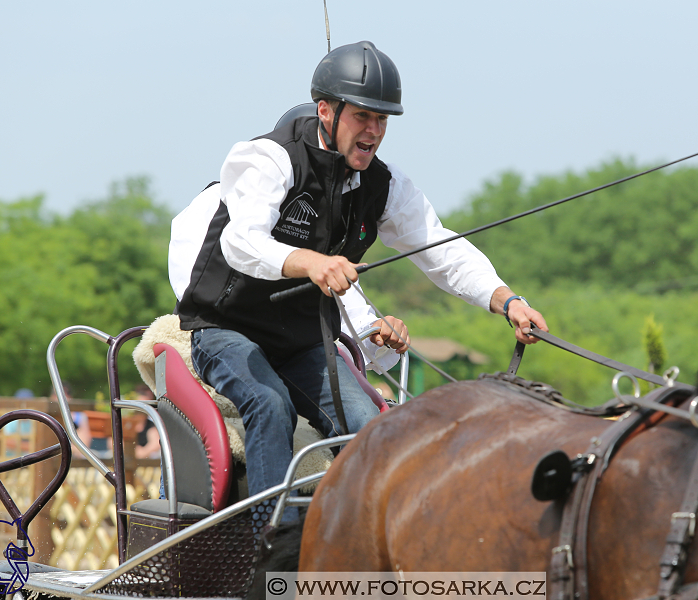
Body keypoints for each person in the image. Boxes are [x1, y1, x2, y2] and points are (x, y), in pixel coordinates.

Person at [169, 40, 548, 510]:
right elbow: (241, 242)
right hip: (225, 330)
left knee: (370, 423)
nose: (373, 131)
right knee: (270, 406)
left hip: (303, 340)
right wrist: (312, 262)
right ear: (326, 111)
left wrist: (506, 300)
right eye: (362, 117)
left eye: (382, 119)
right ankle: (269, 556)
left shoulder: (385, 185)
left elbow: (439, 247)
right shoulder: (267, 158)